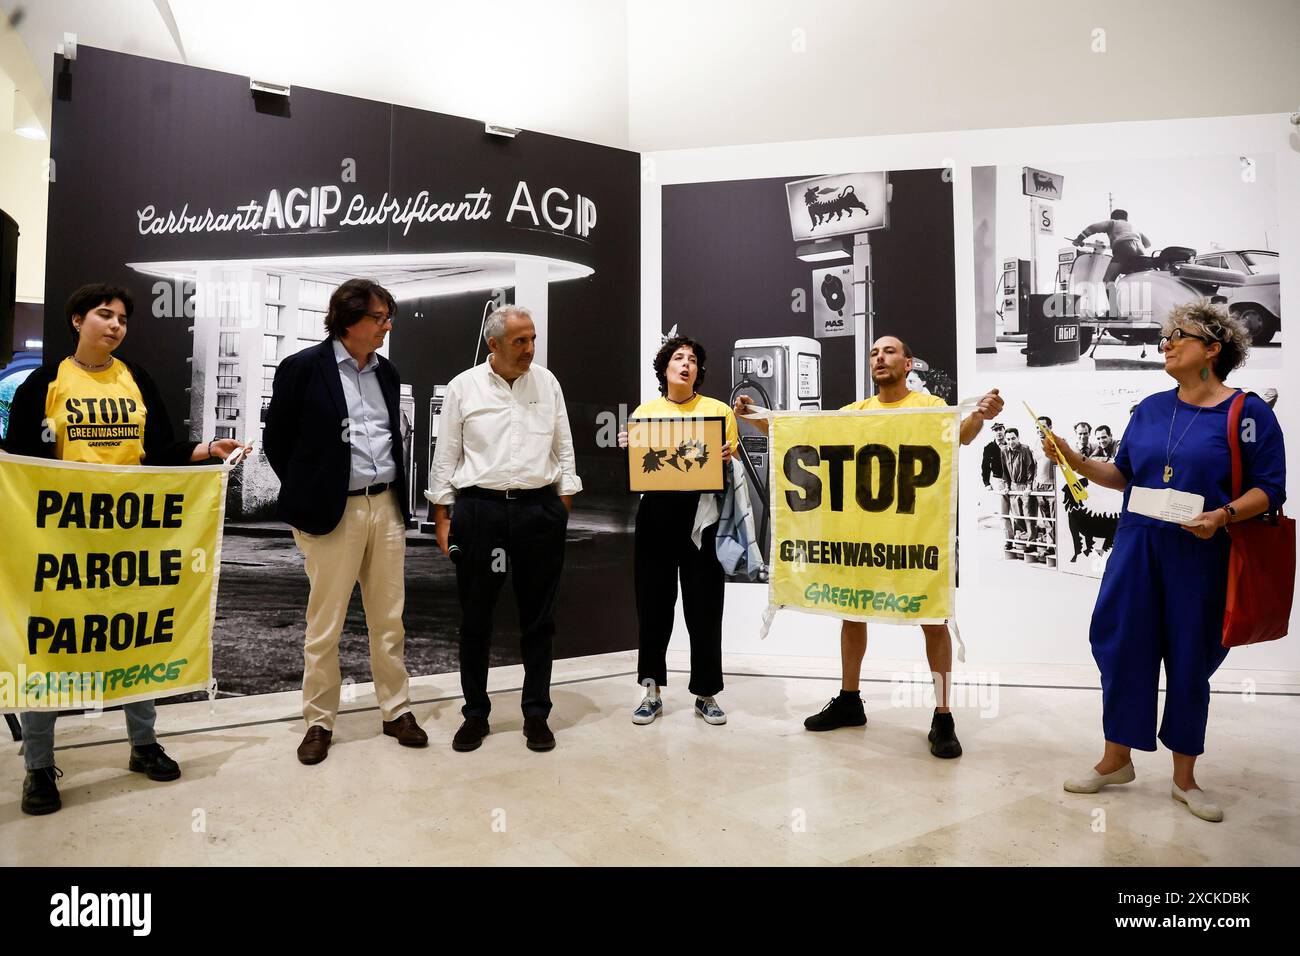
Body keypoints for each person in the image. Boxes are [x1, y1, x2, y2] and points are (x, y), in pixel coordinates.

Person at [1, 282, 248, 815]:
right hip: (62, 542)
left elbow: (160, 450)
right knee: (50, 645)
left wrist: (206, 449)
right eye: (103, 315)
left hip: (129, 539)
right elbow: (20, 463)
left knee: (133, 634)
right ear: (76, 319)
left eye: (122, 320)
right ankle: (39, 767)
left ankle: (143, 744)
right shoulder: (44, 383)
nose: (115, 326)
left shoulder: (136, 380)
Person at [1042, 300, 1285, 822]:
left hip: (1201, 553)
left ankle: (1185, 778)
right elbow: (1123, 474)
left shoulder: (1247, 413)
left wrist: (1221, 516)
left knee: (1190, 661)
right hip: (1136, 546)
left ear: (1213, 349)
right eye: (1165, 335)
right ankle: (1116, 760)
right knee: (1122, 647)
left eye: (1180, 334)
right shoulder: (1150, 408)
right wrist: (1075, 458)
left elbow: (1270, 489)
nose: (1166, 342)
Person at [736, 335, 1004, 757]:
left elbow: (963, 435)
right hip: (863, 533)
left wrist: (983, 415)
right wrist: (755, 417)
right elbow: (798, 431)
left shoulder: (930, 406)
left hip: (914, 535)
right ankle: (849, 700)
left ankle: (943, 715)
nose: (880, 358)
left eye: (890, 351)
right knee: (851, 608)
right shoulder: (855, 413)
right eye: (875, 353)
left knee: (932, 616)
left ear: (908, 362)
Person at [263, 278, 426, 765]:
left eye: (387, 317)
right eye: (379, 317)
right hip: (334, 511)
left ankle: (396, 711)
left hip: (387, 507)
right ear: (349, 319)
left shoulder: (388, 373)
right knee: (325, 625)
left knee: (389, 619)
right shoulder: (302, 369)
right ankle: (318, 722)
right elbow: (278, 441)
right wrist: (309, 492)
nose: (386, 326)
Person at [427, 305, 581, 753]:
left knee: (539, 620)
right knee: (476, 618)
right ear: (493, 344)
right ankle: (475, 713)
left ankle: (536, 713)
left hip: (538, 511)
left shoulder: (547, 383)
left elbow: (564, 447)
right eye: (520, 341)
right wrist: (442, 516)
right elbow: (446, 455)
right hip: (480, 512)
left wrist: (561, 505)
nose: (530, 349)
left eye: (532, 339)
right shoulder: (463, 387)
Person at [616, 336, 739, 726]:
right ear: (665, 369)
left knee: (705, 606)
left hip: (702, 515)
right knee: (652, 605)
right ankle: (650, 690)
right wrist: (629, 446)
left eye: (692, 360)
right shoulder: (645, 412)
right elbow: (640, 470)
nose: (686, 365)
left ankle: (707, 692)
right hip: (656, 514)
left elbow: (731, 463)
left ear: (699, 371)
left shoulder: (718, 411)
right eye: (678, 358)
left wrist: (727, 456)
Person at [1074, 208, 1152, 283]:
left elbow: (1093, 228)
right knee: (1140, 277)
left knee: (1108, 280)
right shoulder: (1134, 228)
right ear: (1126, 219)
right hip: (1141, 252)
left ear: (1112, 218)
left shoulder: (1113, 222)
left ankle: (1113, 297)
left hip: (1123, 248)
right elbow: (1148, 244)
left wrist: (1079, 239)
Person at [981, 422, 1013, 548]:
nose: (998, 432)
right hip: (999, 480)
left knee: (1017, 509)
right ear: (993, 432)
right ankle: (1008, 540)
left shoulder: (1011, 443)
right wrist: (986, 483)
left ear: (1004, 430)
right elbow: (985, 466)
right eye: (996, 430)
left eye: (1000, 429)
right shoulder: (989, 447)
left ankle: (1021, 537)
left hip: (1013, 480)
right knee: (1003, 512)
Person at [1001, 427, 1035, 545]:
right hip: (1013, 486)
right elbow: (1005, 471)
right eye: (1008, 439)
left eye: (1013, 438)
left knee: (1028, 515)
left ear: (1018, 438)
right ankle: (1021, 541)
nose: (1011, 441)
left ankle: (1031, 542)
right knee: (1017, 516)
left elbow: (1030, 469)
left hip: (1024, 485)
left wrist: (1029, 486)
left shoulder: (1025, 449)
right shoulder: (1004, 451)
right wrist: (1007, 486)